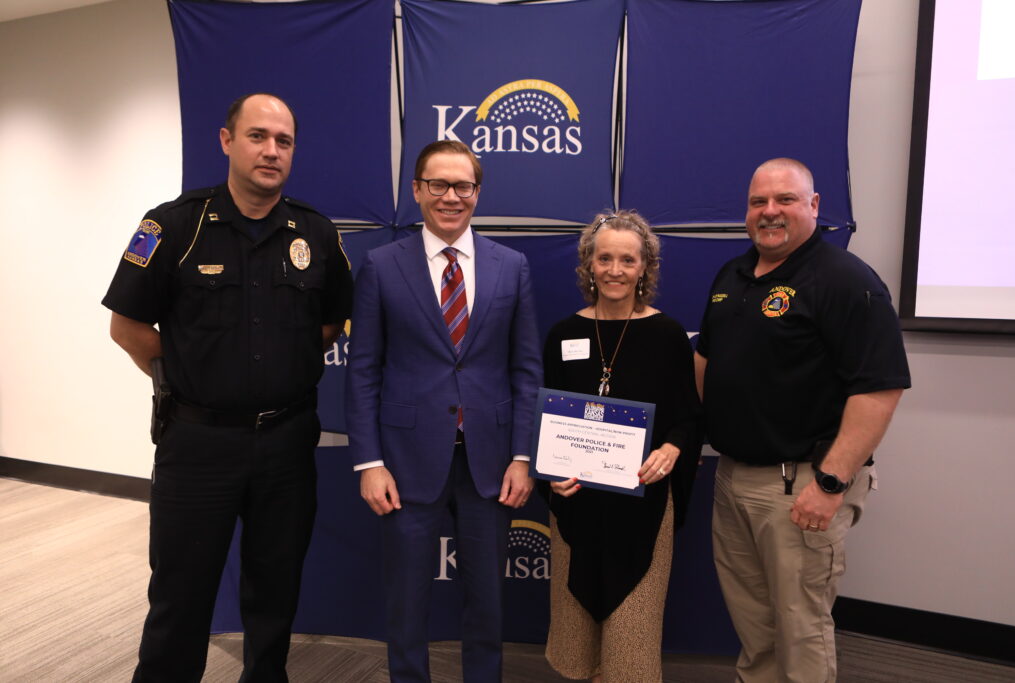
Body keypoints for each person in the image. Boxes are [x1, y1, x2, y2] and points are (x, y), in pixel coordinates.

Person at [103, 93, 353, 682]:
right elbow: (128, 327)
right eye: (257, 136)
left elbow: (329, 324)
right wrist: (193, 374)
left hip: (287, 444)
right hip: (198, 444)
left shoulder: (315, 232)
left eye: (283, 141)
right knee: (180, 594)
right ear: (226, 140)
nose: (271, 151)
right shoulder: (173, 225)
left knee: (275, 592)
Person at [694, 158, 910, 682]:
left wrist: (831, 482)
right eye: (758, 202)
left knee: (801, 629)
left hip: (802, 485)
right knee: (755, 626)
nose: (769, 211)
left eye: (785, 199)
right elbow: (707, 360)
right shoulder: (733, 274)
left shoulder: (845, 280)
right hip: (734, 478)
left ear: (814, 205)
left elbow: (879, 388)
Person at [344, 140, 542, 682]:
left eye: (463, 186)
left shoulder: (512, 266)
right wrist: (369, 463)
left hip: (491, 464)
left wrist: (522, 456)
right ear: (417, 190)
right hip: (404, 463)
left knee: (488, 604)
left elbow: (526, 370)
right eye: (438, 184)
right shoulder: (382, 266)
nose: (451, 197)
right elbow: (363, 370)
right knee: (406, 604)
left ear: (478, 192)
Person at [541, 210, 702, 682]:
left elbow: (689, 417)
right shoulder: (563, 334)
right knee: (576, 633)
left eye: (627, 260)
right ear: (588, 265)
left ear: (645, 267)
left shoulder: (668, 335)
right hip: (577, 505)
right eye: (604, 258)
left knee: (632, 640)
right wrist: (550, 475)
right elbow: (546, 421)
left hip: (643, 508)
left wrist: (672, 449)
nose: (615, 270)